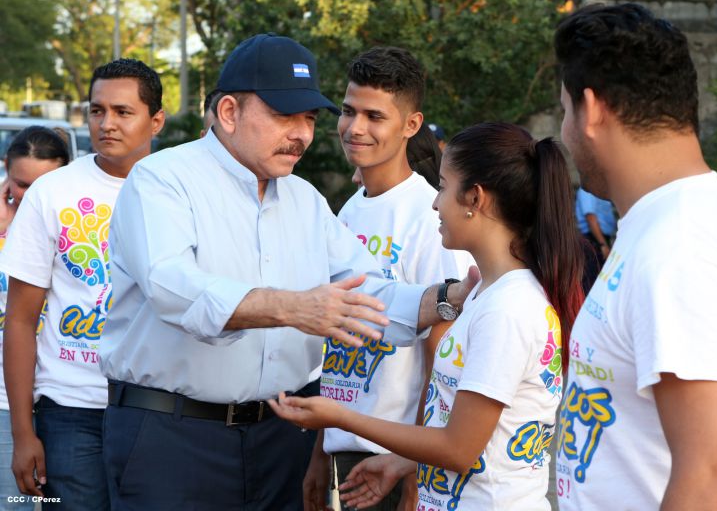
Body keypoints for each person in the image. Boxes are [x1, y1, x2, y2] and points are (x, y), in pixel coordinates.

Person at [98, 34, 477, 510]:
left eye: (310, 118)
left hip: (280, 441)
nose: (302, 134)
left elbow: (369, 291)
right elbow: (173, 288)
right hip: (174, 439)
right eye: (284, 116)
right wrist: (294, 308)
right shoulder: (162, 181)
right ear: (230, 112)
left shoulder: (304, 199)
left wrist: (447, 297)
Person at [270, 122, 585, 511]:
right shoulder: (484, 292)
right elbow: (472, 431)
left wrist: (341, 417)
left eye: (442, 187)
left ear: (475, 198)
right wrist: (401, 461)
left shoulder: (509, 308)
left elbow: (458, 449)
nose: (435, 203)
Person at [554, 3, 717, 510]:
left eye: (565, 110)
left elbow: (709, 479)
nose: (565, 130)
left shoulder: (679, 247)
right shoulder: (697, 214)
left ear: (592, 109)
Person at [305, 47, 471, 511]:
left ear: (411, 125)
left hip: (390, 456)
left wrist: (414, 468)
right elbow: (332, 342)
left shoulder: (428, 215)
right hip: (343, 443)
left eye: (375, 116)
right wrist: (321, 451)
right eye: (348, 111)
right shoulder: (347, 209)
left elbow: (443, 350)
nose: (355, 128)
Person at [0, 59, 164, 508]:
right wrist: (22, 432)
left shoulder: (180, 192)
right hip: (69, 410)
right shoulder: (52, 193)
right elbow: (19, 320)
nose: (106, 123)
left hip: (158, 409)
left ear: (156, 120)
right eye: (96, 111)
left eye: (122, 111)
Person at [0, 127, 70, 509]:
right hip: (5, 405)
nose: (34, 196)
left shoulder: (77, 219)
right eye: (22, 184)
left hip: (61, 399)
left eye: (45, 184)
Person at [575, 187, 616, 263]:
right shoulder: (587, 190)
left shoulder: (598, 191)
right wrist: (602, 245)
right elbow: (590, 218)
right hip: (594, 240)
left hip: (601, 239)